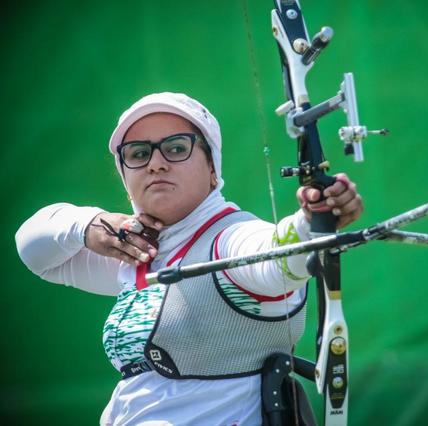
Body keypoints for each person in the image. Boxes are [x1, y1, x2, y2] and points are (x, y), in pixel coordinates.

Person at [15, 92, 363, 425]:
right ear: (125, 175)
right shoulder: (133, 253)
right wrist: (86, 226)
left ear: (212, 166)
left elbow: (276, 256)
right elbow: (33, 251)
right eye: (137, 154)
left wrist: (313, 220)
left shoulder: (229, 239)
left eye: (176, 148)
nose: (156, 163)